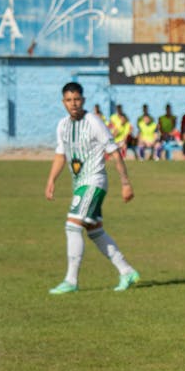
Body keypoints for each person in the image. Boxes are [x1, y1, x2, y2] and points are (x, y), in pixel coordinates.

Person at [44, 82, 139, 294]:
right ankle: (127, 271)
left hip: (94, 182)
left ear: (83, 100)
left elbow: (114, 152)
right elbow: (61, 155)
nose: (73, 104)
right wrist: (51, 180)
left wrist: (125, 183)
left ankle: (71, 280)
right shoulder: (62, 126)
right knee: (95, 231)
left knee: (72, 225)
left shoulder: (94, 122)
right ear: (63, 102)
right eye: (69, 100)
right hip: (79, 184)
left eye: (77, 99)